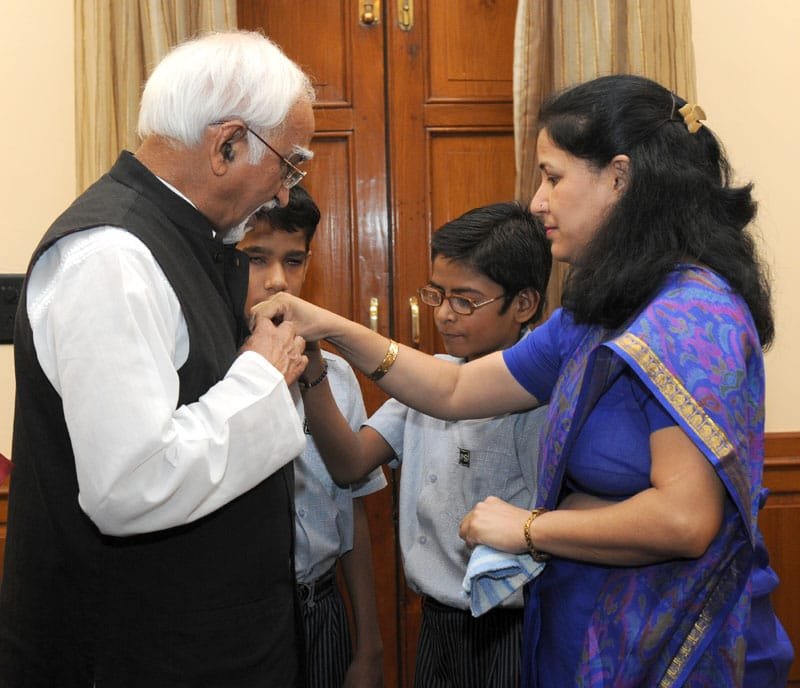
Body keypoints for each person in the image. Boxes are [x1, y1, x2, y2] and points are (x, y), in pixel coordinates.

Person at [255, 74, 795, 687]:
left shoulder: (690, 316)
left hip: (669, 643)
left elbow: (684, 520)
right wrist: (329, 325)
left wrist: (528, 527)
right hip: (589, 632)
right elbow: (454, 390)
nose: (538, 202)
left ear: (619, 178)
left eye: (553, 177)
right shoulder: (600, 313)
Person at [0, 30, 316, 687]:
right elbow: (130, 483)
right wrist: (261, 375)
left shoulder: (184, 240)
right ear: (228, 144)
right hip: (138, 655)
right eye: (288, 166)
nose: (285, 195)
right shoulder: (111, 256)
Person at [294, 201, 552, 687]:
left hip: (509, 628)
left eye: (466, 301)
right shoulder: (430, 379)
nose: (445, 315)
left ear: (523, 304)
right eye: (438, 295)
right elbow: (350, 464)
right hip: (436, 620)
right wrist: (314, 369)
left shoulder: (542, 396)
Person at [237, 187, 387, 688]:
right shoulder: (211, 376)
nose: (278, 280)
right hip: (245, 619)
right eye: (256, 258)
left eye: (294, 260)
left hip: (322, 607)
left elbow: (352, 511)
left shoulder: (334, 376)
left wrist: (369, 644)